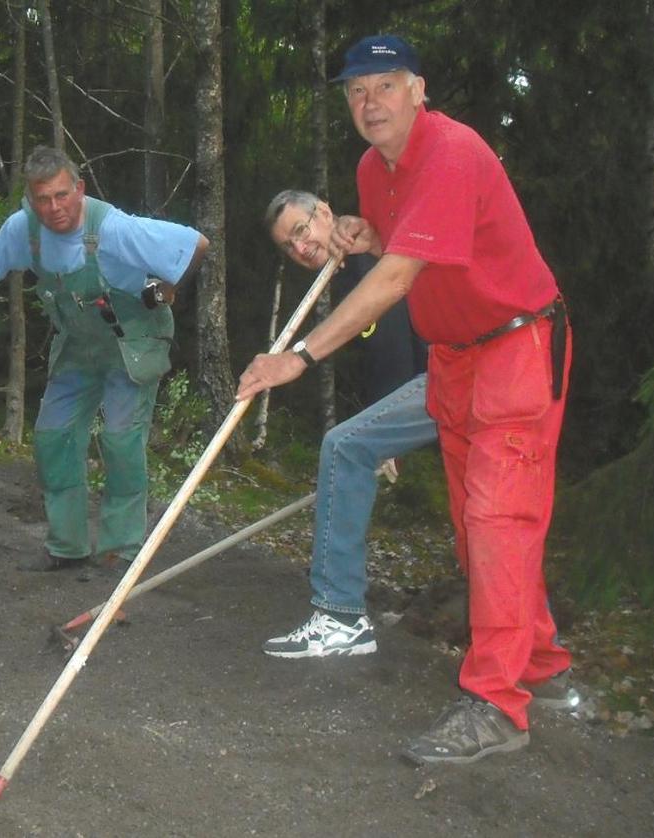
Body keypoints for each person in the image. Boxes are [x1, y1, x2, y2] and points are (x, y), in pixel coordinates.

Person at [237, 35, 575, 765]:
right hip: (454, 357)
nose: (368, 104)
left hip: (516, 345)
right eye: (355, 92)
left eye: (383, 86)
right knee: (473, 526)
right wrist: (367, 232)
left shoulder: (452, 150)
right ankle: (542, 665)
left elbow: (395, 278)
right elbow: (407, 240)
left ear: (417, 90)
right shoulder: (371, 166)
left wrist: (298, 355)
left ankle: (496, 706)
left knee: (495, 521)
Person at [0, 145, 208, 573]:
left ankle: (121, 549)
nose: (53, 208)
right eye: (43, 199)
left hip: (133, 339)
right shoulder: (24, 230)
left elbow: (196, 243)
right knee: (53, 438)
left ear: (79, 188)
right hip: (77, 344)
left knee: (120, 440)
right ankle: (66, 546)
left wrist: (169, 287)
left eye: (61, 195)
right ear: (30, 199)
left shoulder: (114, 229)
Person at [259, 189, 437, 658]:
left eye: (301, 230)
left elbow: (397, 339)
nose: (299, 248)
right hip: (443, 381)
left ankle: (339, 617)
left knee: (345, 446)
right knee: (480, 516)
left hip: (450, 375)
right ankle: (542, 661)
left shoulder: (365, 255)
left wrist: (386, 437)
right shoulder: (342, 274)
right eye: (287, 245)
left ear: (324, 211)